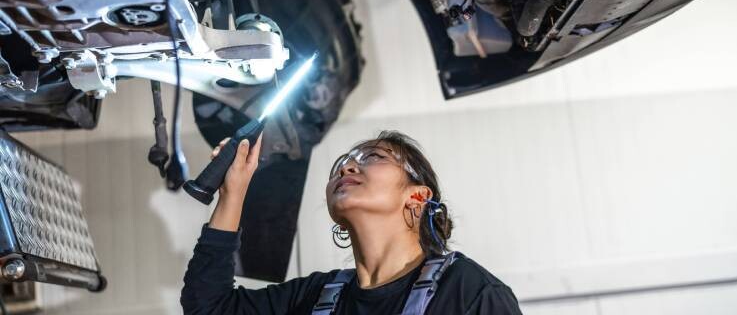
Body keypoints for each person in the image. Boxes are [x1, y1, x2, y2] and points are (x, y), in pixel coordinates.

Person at [181, 130, 523, 314]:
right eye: (341, 164)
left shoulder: (468, 292)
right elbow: (209, 307)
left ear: (418, 196)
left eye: (373, 157)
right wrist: (233, 194)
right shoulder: (316, 297)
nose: (346, 167)